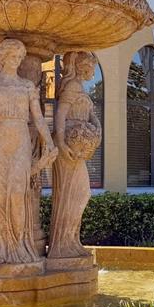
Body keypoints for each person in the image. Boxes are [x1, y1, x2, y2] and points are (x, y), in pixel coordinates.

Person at [0, 38, 56, 264]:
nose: (16, 61)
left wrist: (49, 142)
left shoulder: (27, 86)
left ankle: (18, 247)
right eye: (13, 57)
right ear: (3, 58)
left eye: (19, 57)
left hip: (20, 140)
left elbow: (38, 118)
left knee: (18, 193)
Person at [48, 51, 102, 262]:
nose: (92, 72)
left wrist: (96, 131)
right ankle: (62, 245)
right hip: (68, 149)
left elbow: (92, 116)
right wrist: (61, 143)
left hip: (77, 148)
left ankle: (69, 242)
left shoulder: (80, 88)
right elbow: (60, 115)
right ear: (81, 67)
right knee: (75, 195)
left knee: (78, 195)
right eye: (90, 68)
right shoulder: (71, 87)